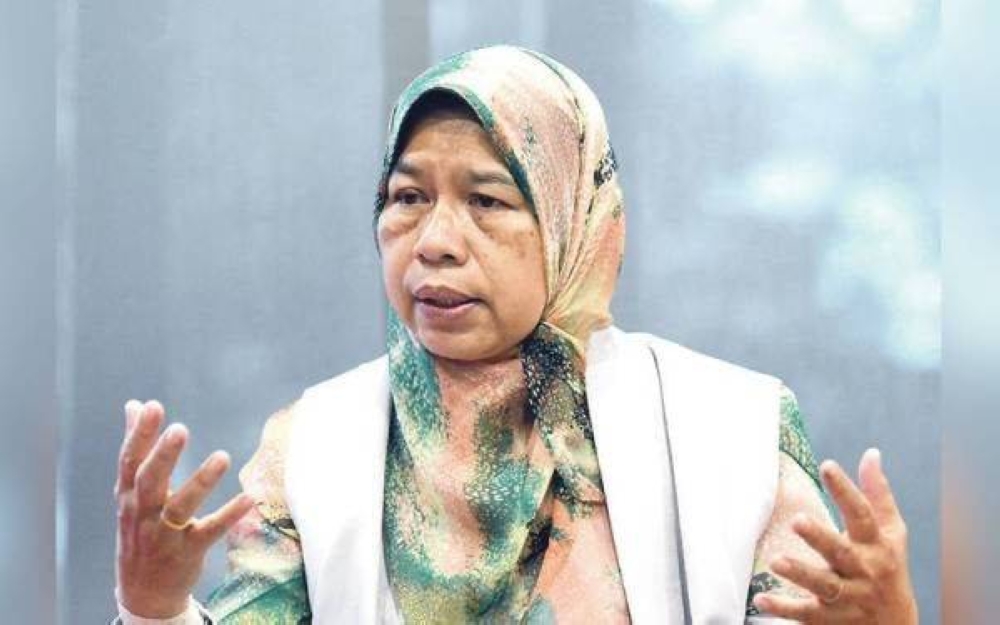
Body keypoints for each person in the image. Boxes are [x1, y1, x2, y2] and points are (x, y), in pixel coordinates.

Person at [113, 46, 918, 623]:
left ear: (573, 219)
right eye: (407, 197)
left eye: (487, 200)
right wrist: (153, 606)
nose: (434, 241)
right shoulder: (312, 447)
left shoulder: (730, 430)